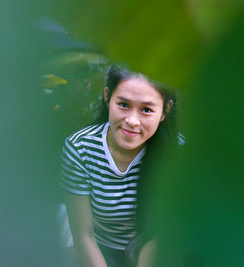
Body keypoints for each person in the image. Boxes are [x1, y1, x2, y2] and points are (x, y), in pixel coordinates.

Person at [60, 65, 180, 267]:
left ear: (165, 111)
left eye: (146, 110)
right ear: (107, 96)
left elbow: (163, 232)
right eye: (123, 104)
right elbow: (84, 235)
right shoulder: (80, 149)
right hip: (101, 251)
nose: (132, 121)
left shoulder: (178, 153)